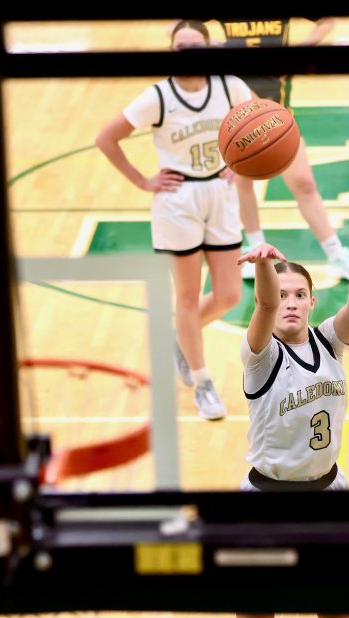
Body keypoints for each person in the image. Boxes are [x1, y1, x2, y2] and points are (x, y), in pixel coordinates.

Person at [223, 206, 349, 618]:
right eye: (283, 295)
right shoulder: (260, 356)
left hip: (328, 499)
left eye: (300, 294)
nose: (290, 302)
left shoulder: (331, 344)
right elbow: (263, 308)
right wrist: (262, 267)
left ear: (313, 302)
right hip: (264, 505)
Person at [95, 20, 252, 420]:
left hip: (219, 193)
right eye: (180, 47)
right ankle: (203, 383)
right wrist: (143, 181)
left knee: (230, 295)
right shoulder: (158, 97)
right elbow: (106, 138)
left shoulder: (229, 86)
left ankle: (182, 336)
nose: (187, 53)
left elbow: (258, 123)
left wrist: (241, 159)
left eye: (194, 46)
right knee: (186, 296)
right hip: (177, 201)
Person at [217, 17, 349, 283]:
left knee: (304, 184)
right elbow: (178, 29)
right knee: (243, 186)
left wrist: (297, 52)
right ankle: (256, 252)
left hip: (277, 119)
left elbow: (327, 22)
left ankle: (337, 256)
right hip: (241, 120)